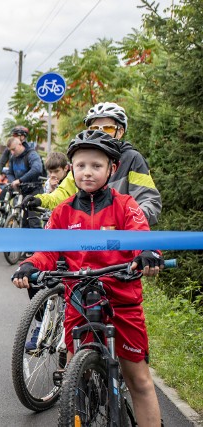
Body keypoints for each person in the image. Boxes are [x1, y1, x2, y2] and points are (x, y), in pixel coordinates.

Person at [12, 129, 164, 426]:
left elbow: (141, 236)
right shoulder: (64, 213)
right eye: (81, 166)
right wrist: (31, 265)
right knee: (73, 375)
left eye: (96, 166)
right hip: (79, 301)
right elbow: (47, 250)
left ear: (112, 168)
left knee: (139, 380)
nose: (88, 172)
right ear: (72, 169)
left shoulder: (125, 206)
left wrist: (147, 253)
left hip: (122, 301)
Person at [26, 102, 162, 226]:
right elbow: (65, 192)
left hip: (120, 237)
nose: (100, 132)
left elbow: (148, 200)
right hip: (86, 233)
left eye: (108, 128)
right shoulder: (86, 160)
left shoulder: (132, 158)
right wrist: (40, 200)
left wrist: (131, 222)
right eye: (95, 128)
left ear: (120, 132)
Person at [5, 136, 44, 229]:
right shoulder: (13, 158)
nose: (12, 152)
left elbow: (37, 169)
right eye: (10, 150)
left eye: (13, 149)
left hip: (35, 191)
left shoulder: (32, 154)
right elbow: (9, 173)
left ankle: (38, 243)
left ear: (20, 144)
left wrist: (20, 180)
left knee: (34, 222)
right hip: (22, 191)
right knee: (24, 223)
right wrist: (13, 182)